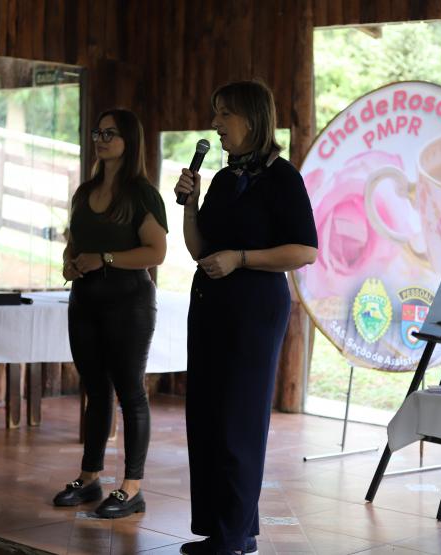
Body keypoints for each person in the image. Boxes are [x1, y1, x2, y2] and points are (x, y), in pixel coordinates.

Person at [173, 81, 318, 554]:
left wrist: (241, 258)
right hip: (211, 305)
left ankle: (232, 535)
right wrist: (191, 206)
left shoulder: (282, 179)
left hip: (254, 311)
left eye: (224, 114)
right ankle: (231, 529)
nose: (215, 124)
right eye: (215, 113)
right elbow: (200, 249)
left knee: (239, 418)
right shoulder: (223, 179)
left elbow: (305, 251)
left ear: (252, 119)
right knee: (208, 416)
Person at [52, 108, 168, 519]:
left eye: (110, 134)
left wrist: (104, 258)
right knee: (95, 391)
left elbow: (156, 252)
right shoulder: (84, 192)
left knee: (131, 392)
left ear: (128, 141)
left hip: (128, 303)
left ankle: (131, 488)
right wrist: (69, 263)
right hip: (85, 302)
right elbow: (74, 243)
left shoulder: (142, 194)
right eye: (97, 133)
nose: (100, 140)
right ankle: (89, 478)